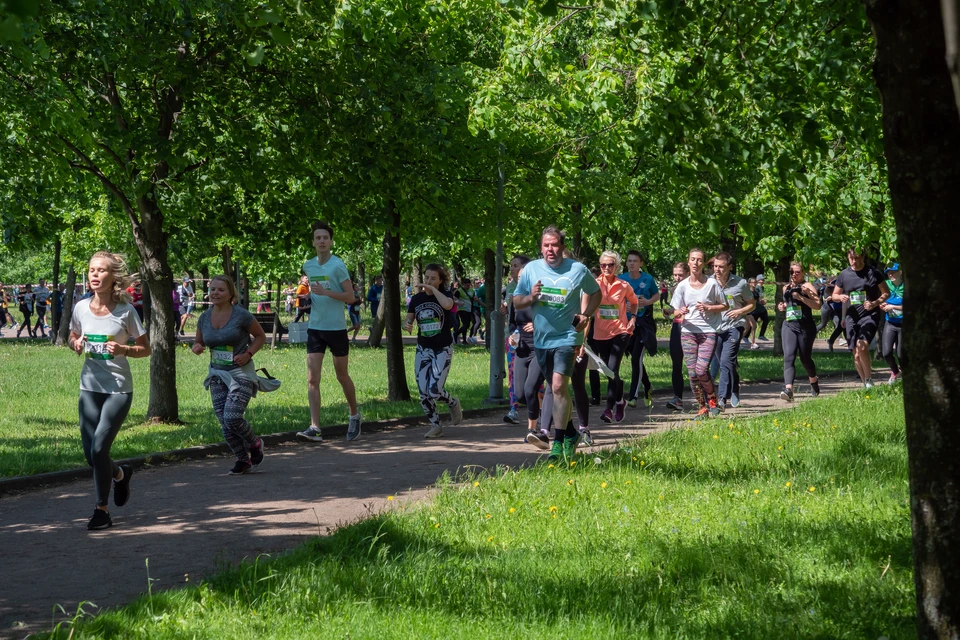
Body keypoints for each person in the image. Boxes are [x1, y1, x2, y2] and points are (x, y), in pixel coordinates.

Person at [68, 252, 151, 530]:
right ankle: (120, 474)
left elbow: (145, 349)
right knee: (90, 455)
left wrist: (124, 349)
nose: (94, 275)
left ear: (113, 276)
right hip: (89, 388)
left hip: (117, 389)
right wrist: (76, 343)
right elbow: (72, 336)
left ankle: (101, 510)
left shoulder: (126, 311)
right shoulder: (80, 308)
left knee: (100, 448)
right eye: (91, 270)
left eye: (101, 270)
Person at [513, 225, 601, 463]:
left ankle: (558, 441)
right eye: (545, 245)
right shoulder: (531, 269)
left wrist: (586, 315)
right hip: (542, 340)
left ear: (562, 246)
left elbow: (596, 293)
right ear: (541, 247)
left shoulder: (577, 269)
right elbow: (517, 302)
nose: (549, 249)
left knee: (559, 385)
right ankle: (571, 432)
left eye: (554, 244)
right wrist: (531, 297)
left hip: (567, 337)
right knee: (555, 388)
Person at [192, 275, 274, 474]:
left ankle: (255, 443)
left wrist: (248, 354)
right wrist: (196, 347)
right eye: (212, 289)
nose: (215, 293)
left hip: (240, 373)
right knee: (223, 422)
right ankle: (242, 459)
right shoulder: (204, 317)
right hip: (218, 374)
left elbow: (261, 336)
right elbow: (199, 342)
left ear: (230, 294)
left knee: (232, 416)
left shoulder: (241, 315)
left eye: (220, 290)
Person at [296, 221, 363, 442]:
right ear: (313, 242)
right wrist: (311, 297)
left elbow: (351, 297)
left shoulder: (338, 265)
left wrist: (326, 293)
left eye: (326, 237)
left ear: (331, 241)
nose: (322, 241)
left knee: (341, 375)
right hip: (316, 327)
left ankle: (354, 416)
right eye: (318, 238)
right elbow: (316, 292)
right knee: (312, 378)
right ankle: (314, 427)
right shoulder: (309, 265)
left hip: (336, 329)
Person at [403, 264, 463, 438]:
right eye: (426, 278)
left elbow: (447, 305)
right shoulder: (416, 299)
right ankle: (435, 425)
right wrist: (406, 324)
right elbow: (409, 319)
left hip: (442, 348)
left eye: (433, 279)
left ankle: (452, 402)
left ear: (440, 281)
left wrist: (432, 290)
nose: (428, 281)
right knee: (423, 391)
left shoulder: (446, 295)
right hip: (423, 349)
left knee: (434, 390)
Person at [670, 248, 728, 418]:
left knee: (702, 369)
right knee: (692, 373)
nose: (695, 263)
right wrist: (680, 312)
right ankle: (702, 407)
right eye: (693, 259)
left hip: (708, 331)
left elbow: (724, 305)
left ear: (703, 264)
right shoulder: (682, 285)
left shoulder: (712, 284)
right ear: (688, 262)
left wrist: (709, 307)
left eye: (699, 260)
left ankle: (712, 400)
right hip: (688, 332)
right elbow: (674, 312)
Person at [832, 247, 889, 389]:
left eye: (857, 258)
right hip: (852, 317)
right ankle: (865, 384)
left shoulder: (873, 273)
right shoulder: (844, 275)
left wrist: (874, 303)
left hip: (870, 315)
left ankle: (869, 379)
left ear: (863, 257)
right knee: (856, 353)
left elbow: (886, 293)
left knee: (862, 346)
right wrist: (840, 297)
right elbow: (834, 295)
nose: (854, 261)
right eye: (851, 258)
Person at [593, 251, 638, 427]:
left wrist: (633, 318)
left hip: (621, 332)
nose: (606, 268)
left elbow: (634, 302)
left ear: (616, 266)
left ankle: (609, 409)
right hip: (600, 334)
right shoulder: (594, 284)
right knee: (609, 372)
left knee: (612, 370)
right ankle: (620, 400)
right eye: (603, 265)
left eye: (610, 265)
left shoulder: (623, 285)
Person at [709, 252, 754, 409]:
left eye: (721, 267)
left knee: (726, 362)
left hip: (735, 325)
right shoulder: (708, 282)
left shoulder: (740, 283)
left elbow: (752, 304)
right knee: (725, 363)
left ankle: (721, 399)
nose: (717, 270)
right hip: (716, 327)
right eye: (715, 266)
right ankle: (735, 388)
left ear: (730, 267)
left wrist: (740, 312)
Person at [618, 250, 659, 408]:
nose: (632, 263)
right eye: (629, 261)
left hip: (643, 325)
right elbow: (615, 299)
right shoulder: (621, 280)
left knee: (637, 359)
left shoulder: (648, 279)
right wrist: (624, 305)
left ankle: (633, 396)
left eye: (635, 261)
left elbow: (656, 295)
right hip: (626, 324)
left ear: (641, 263)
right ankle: (647, 386)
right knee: (635, 360)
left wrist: (647, 302)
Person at [777, 262, 821, 401]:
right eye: (792, 272)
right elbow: (789, 305)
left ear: (803, 273)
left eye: (797, 272)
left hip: (805, 327)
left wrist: (802, 297)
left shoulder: (807, 286)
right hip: (789, 325)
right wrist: (783, 306)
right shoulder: (786, 288)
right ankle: (788, 389)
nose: (794, 275)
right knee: (789, 356)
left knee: (805, 358)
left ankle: (813, 380)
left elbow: (818, 305)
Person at [660, 262, 690, 410]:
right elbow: (676, 310)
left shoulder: (694, 287)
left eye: (681, 275)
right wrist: (668, 312)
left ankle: (706, 398)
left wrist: (674, 311)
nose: (677, 278)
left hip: (692, 328)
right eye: (675, 274)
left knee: (696, 367)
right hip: (677, 326)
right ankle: (678, 398)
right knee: (676, 364)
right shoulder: (674, 289)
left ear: (688, 274)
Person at [502, 256, 527, 425]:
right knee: (512, 373)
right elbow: (508, 308)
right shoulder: (511, 286)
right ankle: (513, 410)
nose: (512, 269)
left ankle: (540, 411)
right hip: (512, 336)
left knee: (534, 374)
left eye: (515, 266)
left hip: (532, 336)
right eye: (511, 266)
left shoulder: (535, 287)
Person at [880, 263, 903, 384]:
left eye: (893, 272)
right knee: (886, 353)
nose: (890, 274)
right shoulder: (886, 285)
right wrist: (882, 305)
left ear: (900, 272)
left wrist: (893, 306)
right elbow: (881, 299)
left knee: (901, 355)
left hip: (904, 324)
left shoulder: (906, 286)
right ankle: (895, 371)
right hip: (890, 323)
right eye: (888, 273)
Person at [453, 281, 474, 345]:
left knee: (466, 325)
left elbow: (473, 297)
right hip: (462, 309)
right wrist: (459, 302)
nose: (468, 287)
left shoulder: (471, 290)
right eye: (466, 285)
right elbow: (453, 297)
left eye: (469, 285)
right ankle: (456, 334)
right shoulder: (459, 291)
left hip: (469, 309)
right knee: (466, 324)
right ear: (463, 284)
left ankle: (464, 340)